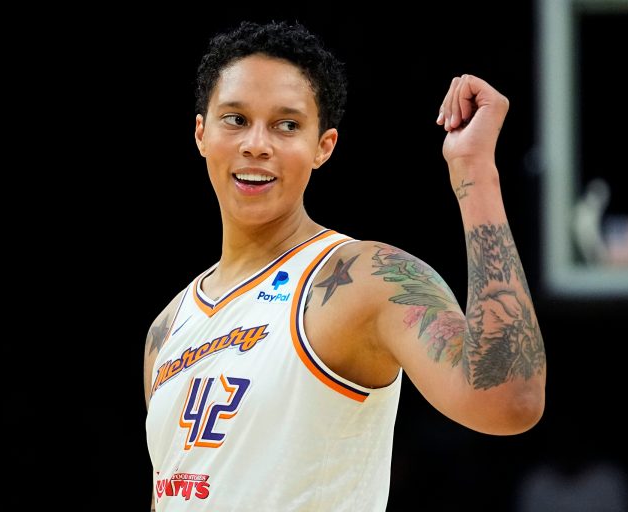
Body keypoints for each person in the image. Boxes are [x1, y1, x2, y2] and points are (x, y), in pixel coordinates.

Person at [144, 20, 546, 511]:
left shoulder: (365, 278)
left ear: (323, 146)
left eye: (287, 124)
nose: (256, 144)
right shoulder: (166, 329)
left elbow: (509, 401)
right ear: (201, 133)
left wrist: (475, 172)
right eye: (235, 119)